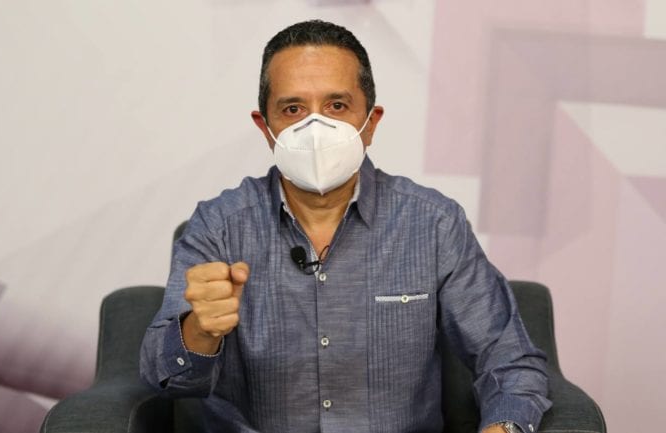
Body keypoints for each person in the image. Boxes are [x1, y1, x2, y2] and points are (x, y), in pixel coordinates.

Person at [140, 19, 551, 433]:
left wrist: (503, 428)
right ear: (265, 128)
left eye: (337, 106)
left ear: (370, 123)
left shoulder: (434, 224)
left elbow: (511, 362)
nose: (315, 129)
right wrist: (200, 331)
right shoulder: (219, 226)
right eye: (293, 109)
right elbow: (164, 378)